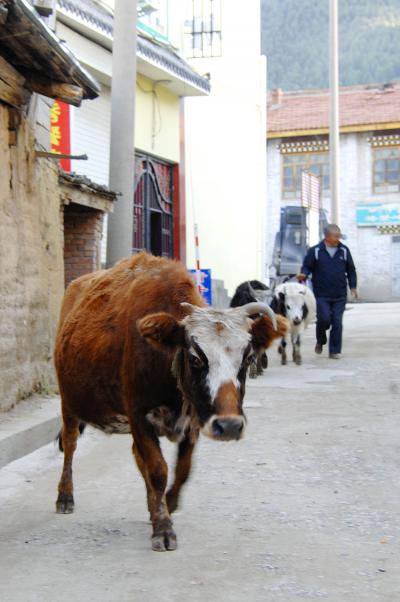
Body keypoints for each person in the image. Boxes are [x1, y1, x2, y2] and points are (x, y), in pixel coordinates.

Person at [297, 224, 358, 359]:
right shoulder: (316, 251)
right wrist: (303, 274)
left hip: (340, 294)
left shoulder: (344, 251)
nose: (338, 239)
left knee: (337, 322)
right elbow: (307, 266)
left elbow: (351, 270)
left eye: (339, 236)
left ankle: (334, 351)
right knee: (324, 320)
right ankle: (321, 339)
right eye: (335, 236)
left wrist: (353, 286)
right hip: (321, 294)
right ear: (327, 237)